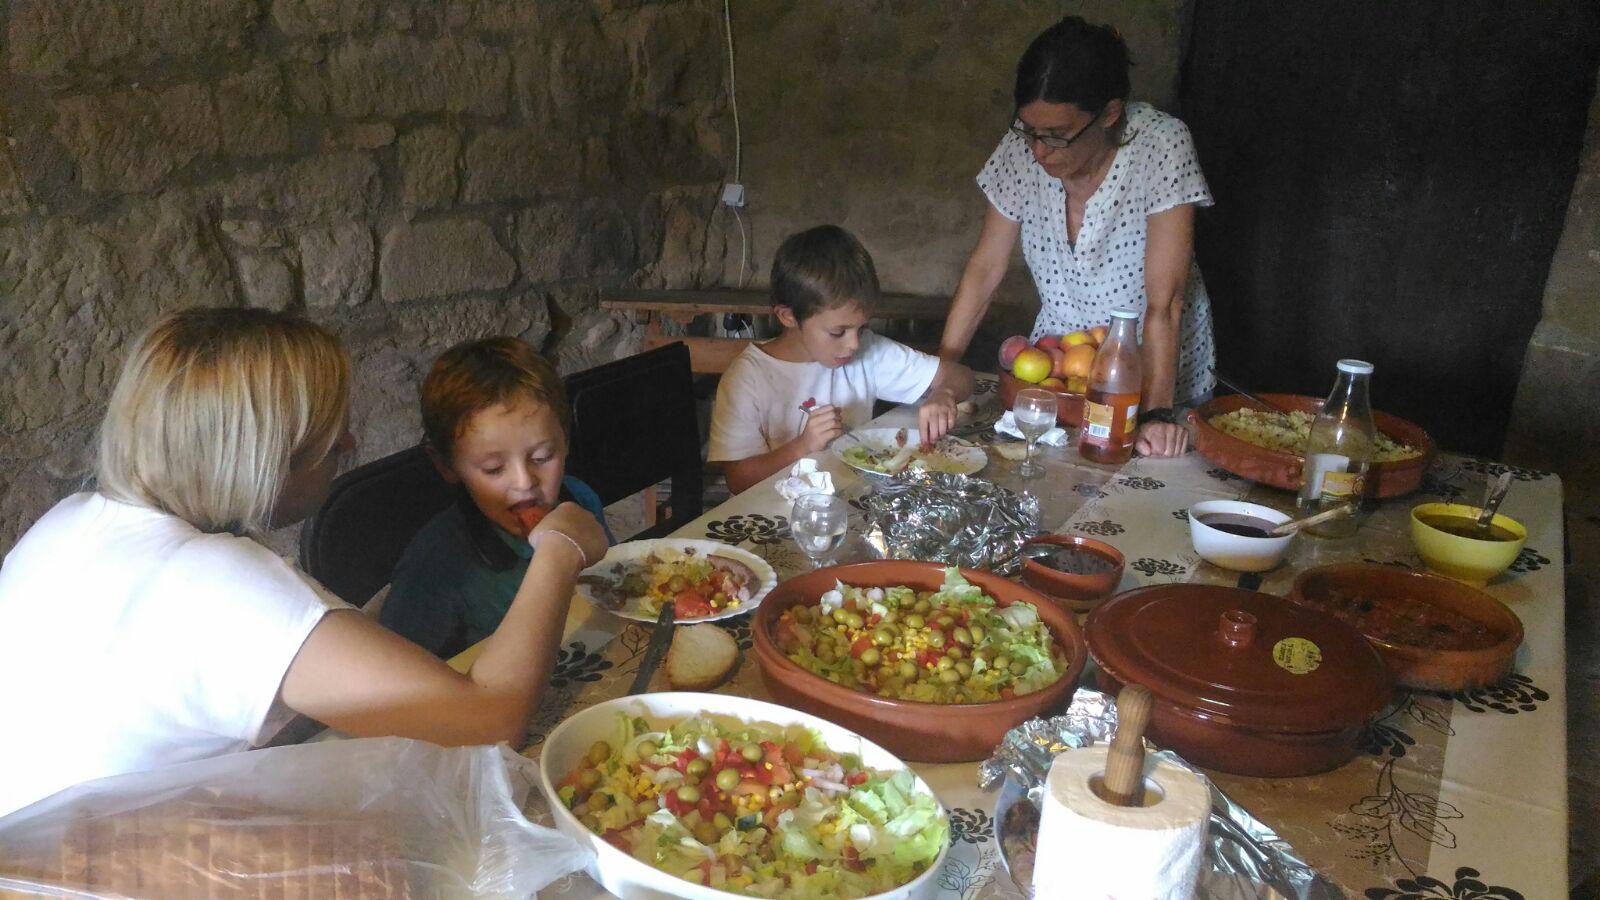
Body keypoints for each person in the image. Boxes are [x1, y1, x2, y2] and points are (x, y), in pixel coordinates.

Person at [0, 308, 608, 818]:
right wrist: (561, 551)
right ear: (268, 455)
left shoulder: (70, 517)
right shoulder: (217, 585)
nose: (348, 444)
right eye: (329, 433)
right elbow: (488, 722)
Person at [938, 16, 1216, 458]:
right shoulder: (1021, 151)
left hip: (1150, 377)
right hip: (1059, 373)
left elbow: (1167, 301)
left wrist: (1157, 414)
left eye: (1057, 135)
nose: (1038, 150)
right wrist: (941, 375)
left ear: (1109, 113)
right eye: (1029, 130)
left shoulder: (1161, 146)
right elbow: (985, 269)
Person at [379, 337, 615, 659]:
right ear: (447, 465)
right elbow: (397, 673)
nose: (524, 482)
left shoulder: (580, 501)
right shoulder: (434, 566)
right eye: (493, 468)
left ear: (566, 441)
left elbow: (610, 589)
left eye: (543, 457)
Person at [708, 225, 975, 494]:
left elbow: (961, 376)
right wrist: (803, 445)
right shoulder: (748, 378)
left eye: (861, 328)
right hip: (775, 512)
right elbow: (739, 480)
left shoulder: (868, 353)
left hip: (852, 503)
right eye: (838, 332)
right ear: (788, 317)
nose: (854, 343)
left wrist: (945, 393)